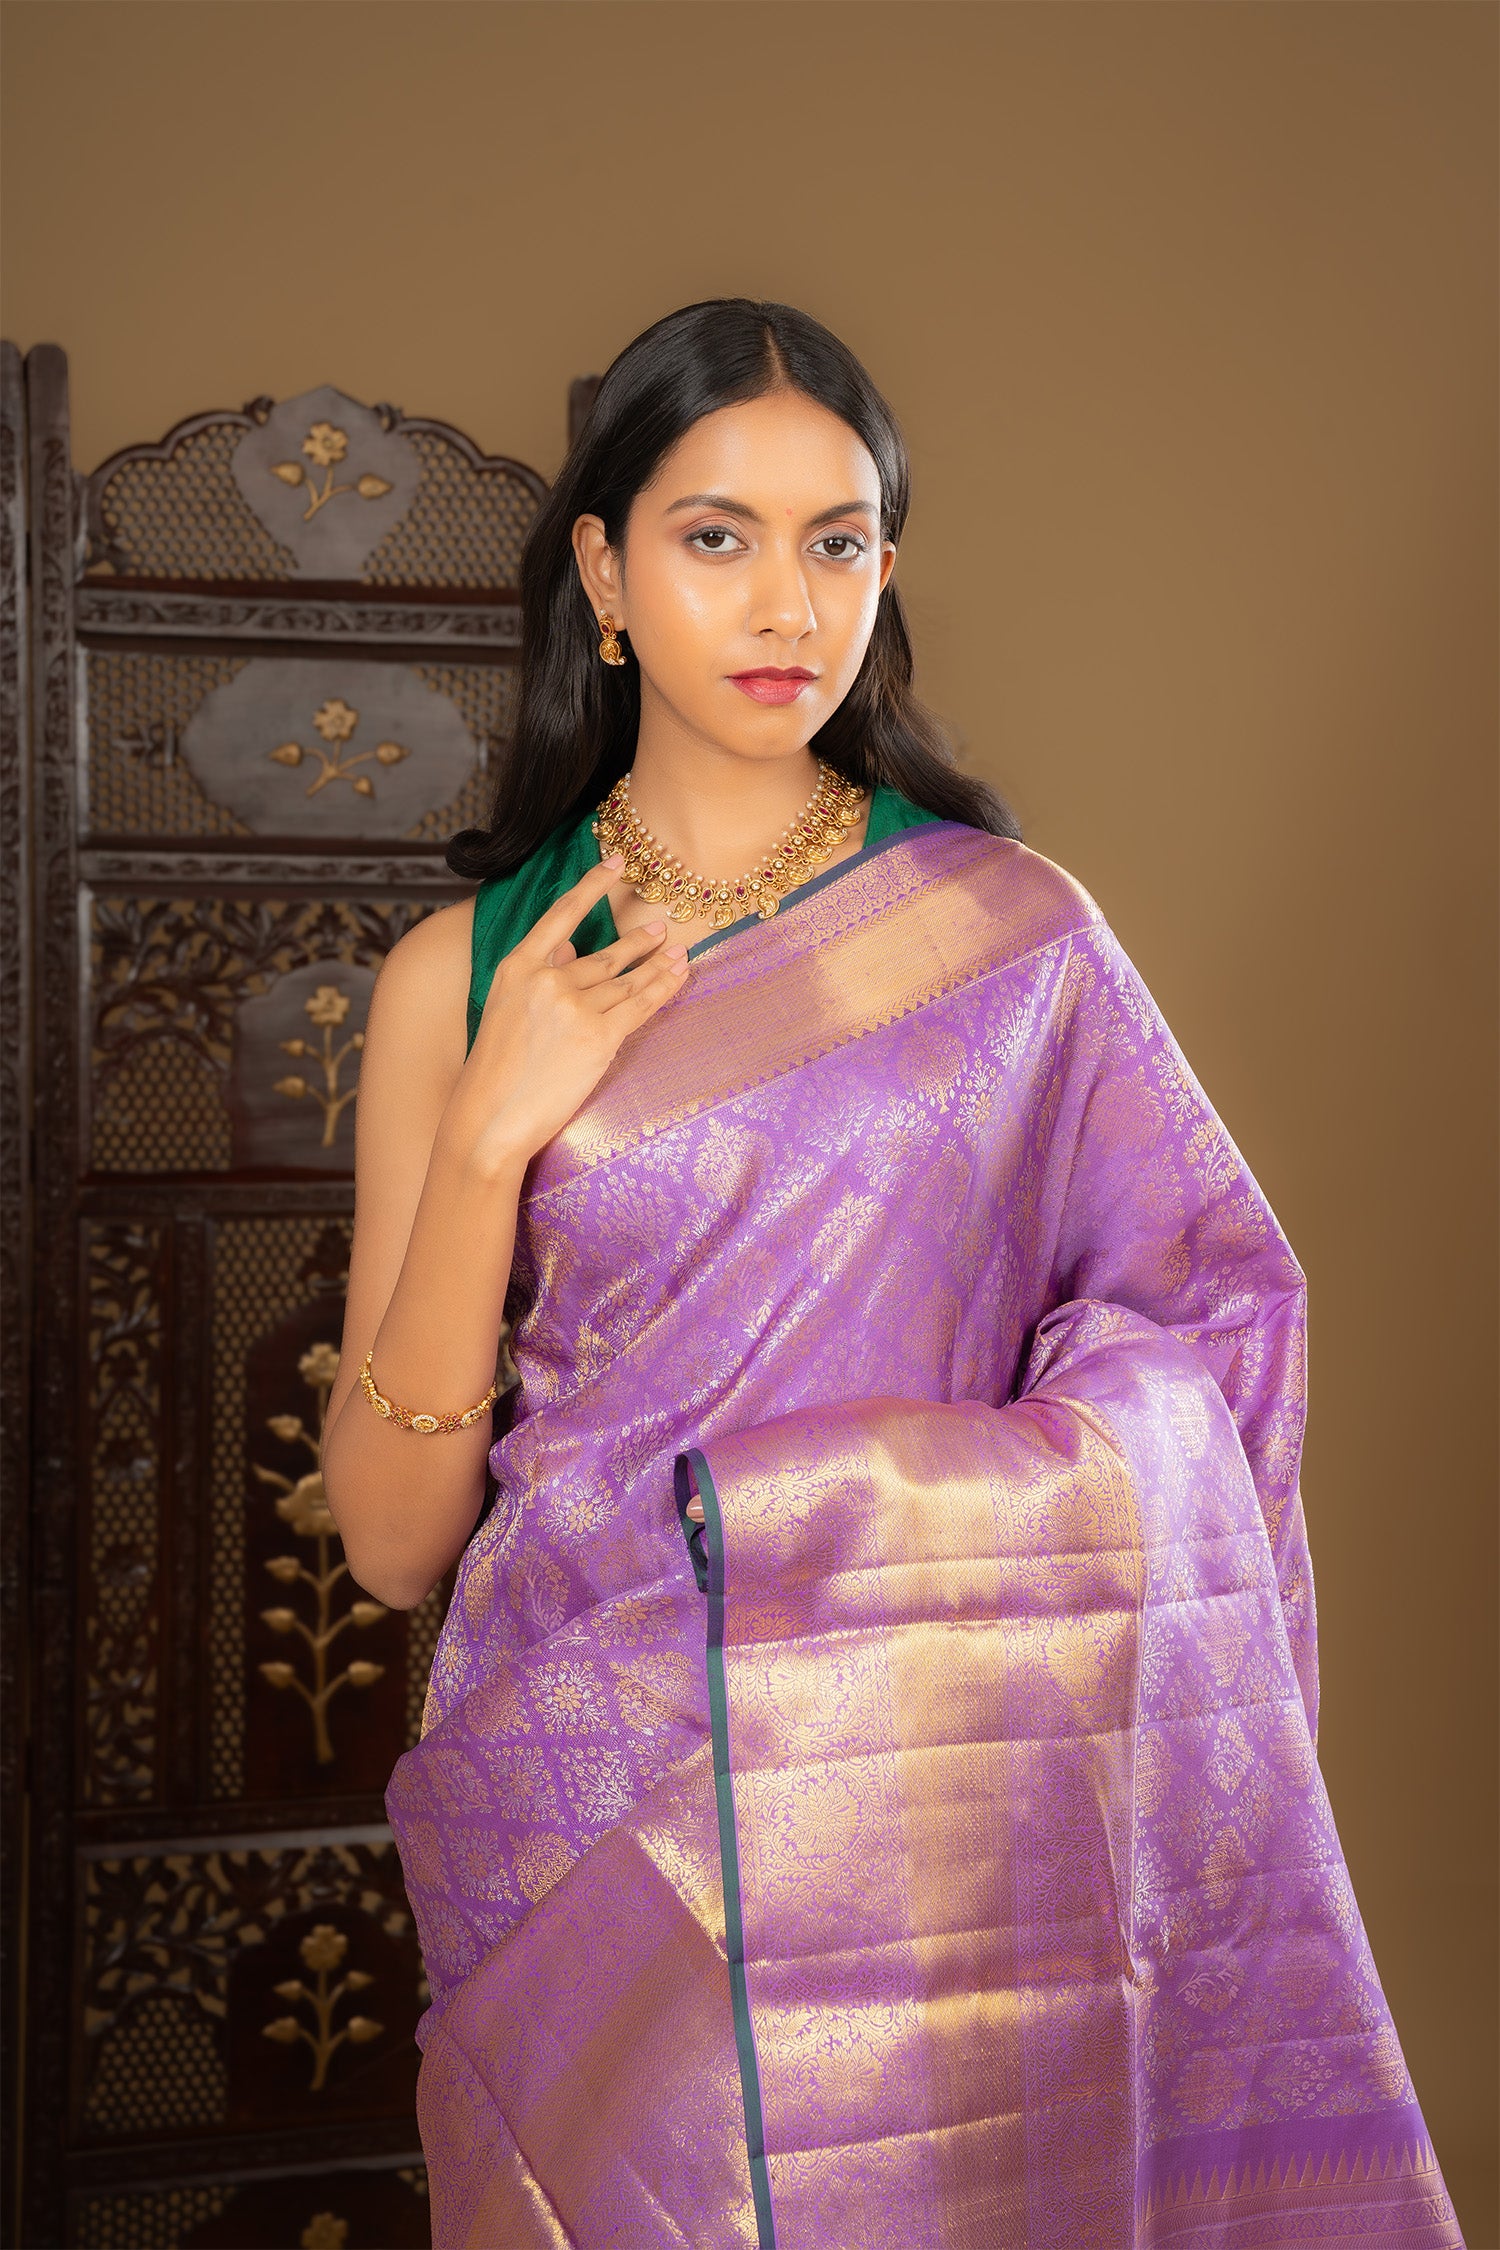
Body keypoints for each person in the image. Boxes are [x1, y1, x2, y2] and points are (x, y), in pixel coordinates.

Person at [320, 299, 1464, 2250]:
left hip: (926, 1803)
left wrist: (880, 1529)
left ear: (885, 571)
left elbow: (1216, 1344)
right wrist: (493, 1134)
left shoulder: (1009, 944)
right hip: (588, 1802)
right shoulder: (469, 974)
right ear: (603, 572)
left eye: (837, 541)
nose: (787, 603)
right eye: (716, 536)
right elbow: (390, 1538)